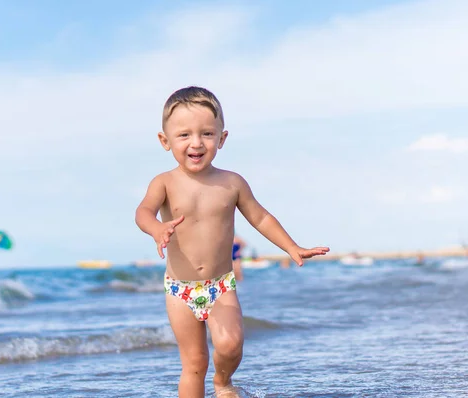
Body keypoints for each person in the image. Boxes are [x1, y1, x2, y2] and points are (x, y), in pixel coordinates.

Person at [135, 86, 329, 398]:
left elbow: (261, 218)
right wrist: (156, 229)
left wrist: (291, 247)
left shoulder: (231, 183)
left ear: (222, 138)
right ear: (165, 141)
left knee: (230, 344)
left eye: (206, 134)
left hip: (220, 284)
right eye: (184, 135)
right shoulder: (165, 182)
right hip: (180, 289)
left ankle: (223, 381)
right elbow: (142, 212)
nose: (196, 143)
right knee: (194, 363)